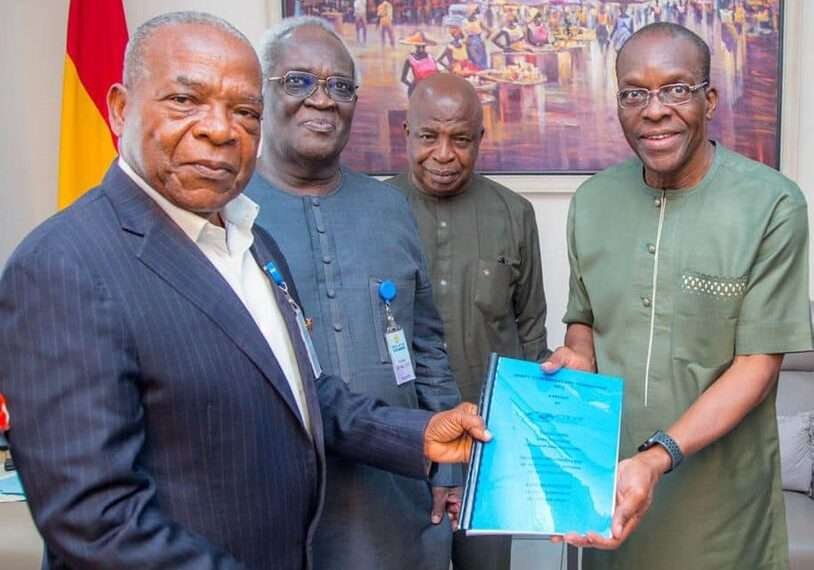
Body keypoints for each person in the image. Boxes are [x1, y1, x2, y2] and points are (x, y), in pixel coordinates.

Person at [0, 12, 490, 570]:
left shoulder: (251, 243)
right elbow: (98, 522)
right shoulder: (64, 265)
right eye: (186, 100)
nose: (219, 129)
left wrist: (419, 432)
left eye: (244, 111)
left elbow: (305, 394)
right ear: (119, 109)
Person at [544, 22, 812, 570]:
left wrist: (657, 457)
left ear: (709, 99)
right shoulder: (593, 201)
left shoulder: (773, 205)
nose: (654, 109)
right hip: (611, 492)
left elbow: (757, 366)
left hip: (720, 512)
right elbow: (585, 319)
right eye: (634, 93)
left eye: (676, 89)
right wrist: (577, 355)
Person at [245, 17, 461, 570]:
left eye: (340, 86)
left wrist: (451, 471)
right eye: (299, 82)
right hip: (274, 494)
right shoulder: (227, 210)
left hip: (393, 495)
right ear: (262, 92)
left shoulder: (389, 207)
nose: (323, 100)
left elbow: (426, 346)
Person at [388, 73, 551, 570]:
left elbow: (530, 333)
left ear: (481, 138)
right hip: (398, 449)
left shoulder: (515, 214)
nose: (444, 154)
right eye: (428, 137)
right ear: (406, 133)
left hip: (489, 454)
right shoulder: (374, 211)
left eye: (460, 139)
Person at [400, 31, 441, 96]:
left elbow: (437, 74)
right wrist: (412, 87)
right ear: (415, 46)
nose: (421, 49)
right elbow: (403, 79)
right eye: (419, 47)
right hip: (417, 92)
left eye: (423, 46)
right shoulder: (410, 59)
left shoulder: (430, 57)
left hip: (430, 91)